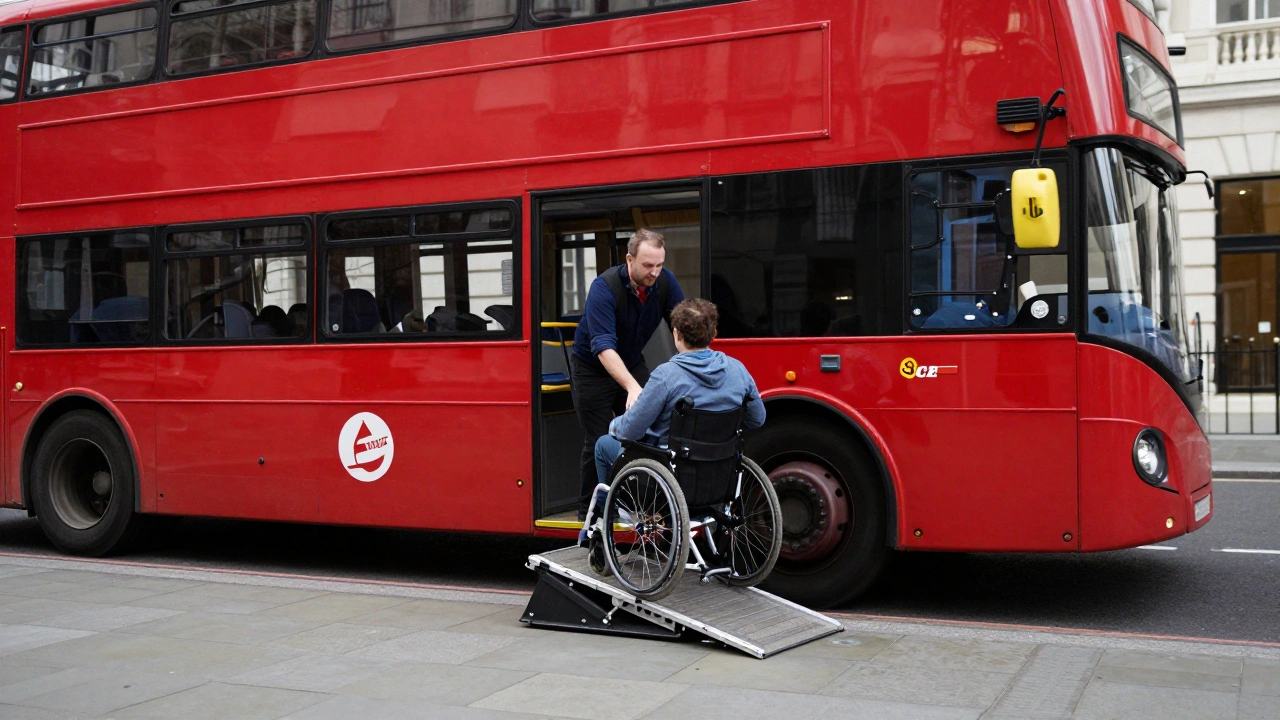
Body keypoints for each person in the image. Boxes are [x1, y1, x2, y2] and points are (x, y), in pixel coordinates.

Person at [580, 298, 766, 538]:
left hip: (668, 480)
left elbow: (630, 432)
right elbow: (757, 419)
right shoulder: (738, 370)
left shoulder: (666, 376)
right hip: (720, 481)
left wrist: (615, 424)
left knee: (604, 444)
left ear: (676, 334)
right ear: (714, 334)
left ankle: (603, 528)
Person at [571, 228, 685, 518]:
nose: (655, 272)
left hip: (632, 361)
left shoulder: (664, 281)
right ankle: (591, 514)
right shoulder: (604, 287)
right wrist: (633, 388)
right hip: (593, 369)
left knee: (649, 434)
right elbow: (603, 347)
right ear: (629, 260)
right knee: (597, 440)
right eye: (648, 265)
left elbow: (683, 326)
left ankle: (641, 505)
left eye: (659, 265)